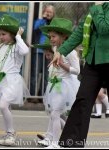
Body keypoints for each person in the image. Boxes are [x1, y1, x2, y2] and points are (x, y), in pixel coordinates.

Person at [49, 2, 109, 148]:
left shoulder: (97, 8)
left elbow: (104, 28)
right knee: (83, 100)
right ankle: (72, 142)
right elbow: (79, 32)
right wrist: (60, 51)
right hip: (93, 62)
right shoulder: (94, 10)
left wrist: (98, 7)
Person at [36, 18, 80, 148]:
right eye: (50, 37)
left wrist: (62, 64)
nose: (51, 39)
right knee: (53, 113)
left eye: (54, 36)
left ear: (64, 36)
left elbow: (76, 71)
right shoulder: (56, 49)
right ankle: (50, 137)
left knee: (55, 113)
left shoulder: (71, 52)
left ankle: (55, 143)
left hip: (64, 86)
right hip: (55, 85)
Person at [0, 14, 30, 146]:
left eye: (3, 34)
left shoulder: (17, 46)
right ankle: (8, 132)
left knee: (3, 106)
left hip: (12, 81)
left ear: (12, 34)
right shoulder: (1, 47)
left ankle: (11, 133)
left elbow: (25, 51)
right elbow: (0, 63)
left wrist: (18, 36)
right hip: (1, 81)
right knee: (6, 108)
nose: (0, 37)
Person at [30, 4, 55, 97]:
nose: (48, 13)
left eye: (50, 12)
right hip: (39, 51)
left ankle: (43, 96)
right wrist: (44, 19)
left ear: (53, 14)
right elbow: (35, 28)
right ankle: (32, 96)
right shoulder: (40, 21)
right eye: (47, 11)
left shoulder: (54, 23)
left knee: (46, 75)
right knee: (35, 73)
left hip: (50, 52)